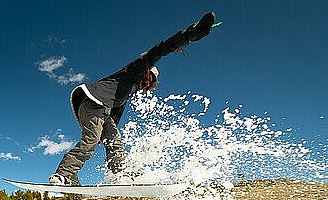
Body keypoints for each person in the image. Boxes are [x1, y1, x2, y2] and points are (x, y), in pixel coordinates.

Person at [49, 12, 216, 186]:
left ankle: (119, 175)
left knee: (115, 144)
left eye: (150, 84)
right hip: (93, 103)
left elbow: (114, 116)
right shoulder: (135, 70)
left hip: (101, 111)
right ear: (147, 73)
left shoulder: (128, 91)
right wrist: (190, 34)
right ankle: (63, 175)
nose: (147, 84)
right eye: (149, 79)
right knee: (90, 141)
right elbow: (159, 50)